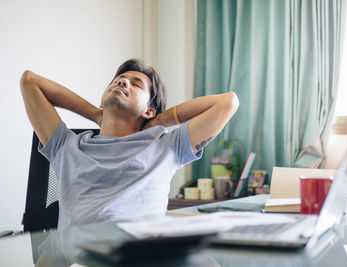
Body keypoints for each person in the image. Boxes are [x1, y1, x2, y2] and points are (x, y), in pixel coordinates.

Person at [20, 59, 239, 228]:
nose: (122, 82)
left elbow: (228, 102)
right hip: (80, 257)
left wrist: (159, 120)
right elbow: (30, 81)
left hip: (137, 256)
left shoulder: (166, 147)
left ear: (149, 110)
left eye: (137, 84)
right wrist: (96, 114)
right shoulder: (66, 146)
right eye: (118, 80)